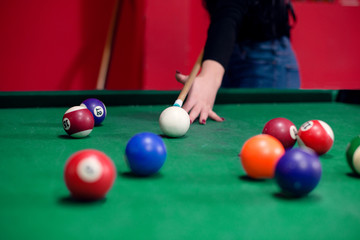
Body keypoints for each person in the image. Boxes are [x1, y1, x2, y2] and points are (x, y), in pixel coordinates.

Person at [175, 0, 300, 124]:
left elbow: (230, 9)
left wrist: (209, 78)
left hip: (266, 57)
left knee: (266, 132)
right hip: (230, 51)